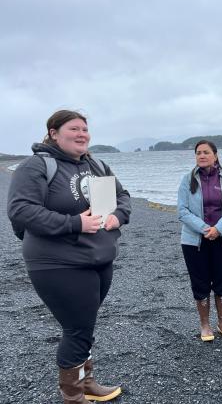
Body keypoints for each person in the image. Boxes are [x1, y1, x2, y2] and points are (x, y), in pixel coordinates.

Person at [7, 110, 131, 404]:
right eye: (73, 128)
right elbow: (21, 210)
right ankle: (72, 395)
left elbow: (123, 196)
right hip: (56, 262)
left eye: (85, 129)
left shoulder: (97, 164)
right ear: (53, 133)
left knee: (84, 324)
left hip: (99, 259)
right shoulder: (36, 166)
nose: (81, 134)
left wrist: (117, 217)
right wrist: (76, 223)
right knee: (77, 328)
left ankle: (86, 382)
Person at [177, 140, 222, 342]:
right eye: (198, 153)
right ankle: (205, 324)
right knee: (200, 281)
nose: (201, 156)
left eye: (206, 152)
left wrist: (218, 229)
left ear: (215, 155)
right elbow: (182, 211)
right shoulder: (187, 180)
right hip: (195, 240)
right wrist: (206, 229)